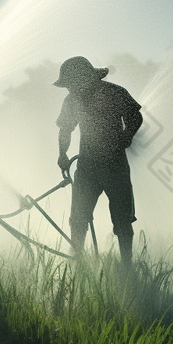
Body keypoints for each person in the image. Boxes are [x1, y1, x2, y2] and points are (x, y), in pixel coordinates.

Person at [55, 56, 142, 265]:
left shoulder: (114, 92)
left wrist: (126, 135)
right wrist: (62, 154)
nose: (68, 89)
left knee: (122, 220)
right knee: (78, 219)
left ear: (83, 79)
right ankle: (77, 262)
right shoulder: (72, 100)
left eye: (70, 84)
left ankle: (126, 267)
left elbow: (135, 116)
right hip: (86, 166)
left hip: (115, 165)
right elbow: (65, 129)